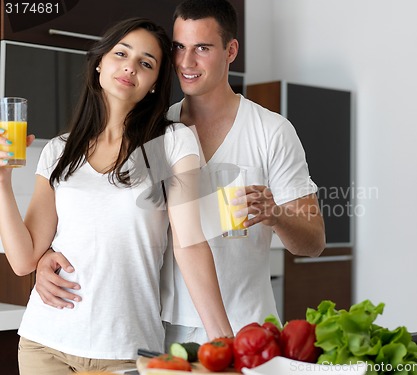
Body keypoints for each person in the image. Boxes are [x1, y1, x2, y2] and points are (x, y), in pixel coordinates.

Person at [34, 0, 326, 348]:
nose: (187, 63)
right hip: (164, 328)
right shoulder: (156, 134)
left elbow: (314, 242)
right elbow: (110, 221)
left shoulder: (271, 131)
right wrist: (45, 258)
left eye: (202, 48)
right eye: (179, 48)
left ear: (231, 50)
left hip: (245, 325)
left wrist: (276, 214)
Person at [0, 17, 232, 375]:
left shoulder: (169, 143)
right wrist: (1, 180)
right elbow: (23, 258)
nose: (130, 66)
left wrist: (224, 341)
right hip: (45, 343)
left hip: (125, 349)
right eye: (121, 53)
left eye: (146, 63)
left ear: (155, 83)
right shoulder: (61, 150)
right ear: (99, 64)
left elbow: (190, 243)